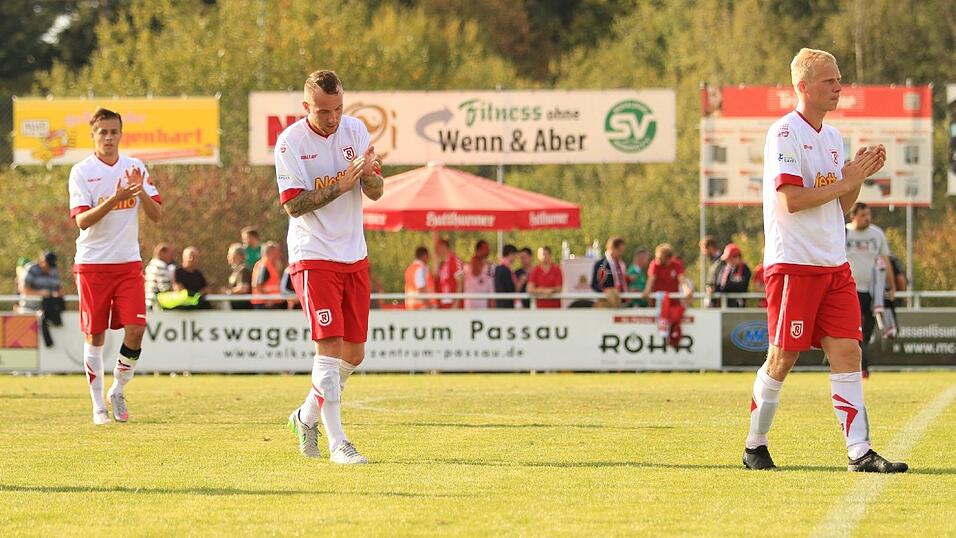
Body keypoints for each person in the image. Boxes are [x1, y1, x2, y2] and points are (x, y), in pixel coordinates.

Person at [742, 48, 905, 473]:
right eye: (830, 80)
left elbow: (843, 207)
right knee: (783, 357)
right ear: (803, 86)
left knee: (848, 352)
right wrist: (846, 181)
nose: (839, 87)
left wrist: (856, 179)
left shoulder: (833, 138)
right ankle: (754, 444)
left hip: (834, 264)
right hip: (794, 264)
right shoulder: (783, 133)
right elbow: (792, 199)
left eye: (839, 79)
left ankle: (859, 452)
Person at [278, 69, 383, 464]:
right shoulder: (290, 143)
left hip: (353, 254)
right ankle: (338, 442)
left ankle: (305, 417)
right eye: (324, 111)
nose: (333, 118)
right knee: (329, 347)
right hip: (313, 254)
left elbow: (375, 191)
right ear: (307, 106)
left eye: (338, 108)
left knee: (354, 355)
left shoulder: (355, 130)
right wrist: (341, 184)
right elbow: (292, 204)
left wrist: (370, 176)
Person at [69, 107, 162, 425]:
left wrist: (139, 194)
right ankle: (98, 407)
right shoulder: (82, 171)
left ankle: (118, 389)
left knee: (136, 329)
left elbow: (156, 214)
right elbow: (82, 220)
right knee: (95, 336)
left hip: (127, 264)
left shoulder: (134, 166)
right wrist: (115, 198)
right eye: (102, 132)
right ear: (93, 136)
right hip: (93, 265)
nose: (109, 137)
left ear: (121, 133)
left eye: (114, 132)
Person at [845, 202, 896, 378]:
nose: (867, 218)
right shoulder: (843, 233)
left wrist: (892, 285)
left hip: (872, 292)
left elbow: (885, 260)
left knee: (867, 329)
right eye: (863, 215)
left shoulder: (876, 234)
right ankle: (860, 367)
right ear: (853, 216)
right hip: (848, 289)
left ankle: (860, 362)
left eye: (868, 215)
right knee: (853, 329)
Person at [643, 243, 694, 347]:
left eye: (660, 259)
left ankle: (672, 340)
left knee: (674, 325)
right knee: (660, 326)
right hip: (658, 303)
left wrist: (687, 290)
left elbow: (682, 280)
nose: (658, 261)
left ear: (668, 258)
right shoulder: (655, 264)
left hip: (673, 303)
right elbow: (651, 280)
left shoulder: (677, 265)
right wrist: (647, 291)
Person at [591, 237, 628, 308]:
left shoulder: (621, 263)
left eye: (623, 251)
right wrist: (606, 291)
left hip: (621, 302)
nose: (621, 253)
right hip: (607, 304)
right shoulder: (602, 264)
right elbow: (595, 284)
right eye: (620, 250)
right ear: (612, 248)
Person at [713, 243, 752, 308]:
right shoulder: (725, 269)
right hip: (724, 305)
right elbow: (719, 286)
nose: (727, 261)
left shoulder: (744, 269)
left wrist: (727, 284)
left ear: (737, 257)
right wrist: (713, 288)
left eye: (729, 259)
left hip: (738, 306)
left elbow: (742, 286)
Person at [251, 241, 286, 310]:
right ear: (271, 252)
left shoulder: (271, 265)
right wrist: (267, 299)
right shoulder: (264, 265)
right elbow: (257, 285)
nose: (279, 254)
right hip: (264, 304)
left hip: (270, 302)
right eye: (277, 252)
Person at [463, 240, 494, 309]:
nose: (488, 251)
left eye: (488, 248)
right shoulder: (466, 268)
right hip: (469, 305)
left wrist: (492, 307)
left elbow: (491, 289)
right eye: (485, 248)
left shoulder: (490, 267)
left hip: (484, 305)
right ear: (478, 250)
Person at [434, 238, 464, 309]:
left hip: (453, 305)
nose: (437, 251)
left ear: (444, 247)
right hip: (443, 305)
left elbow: (460, 282)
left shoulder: (454, 260)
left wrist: (456, 304)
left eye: (438, 248)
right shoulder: (442, 264)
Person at [144, 243, 176, 309]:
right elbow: (163, 287)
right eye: (169, 254)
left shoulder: (150, 265)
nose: (171, 257)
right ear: (162, 253)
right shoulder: (161, 266)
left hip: (148, 300)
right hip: (155, 303)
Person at [226, 243, 252, 310]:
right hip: (235, 308)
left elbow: (244, 289)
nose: (228, 257)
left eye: (230, 254)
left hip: (243, 309)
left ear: (238, 256)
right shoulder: (236, 270)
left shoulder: (243, 270)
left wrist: (227, 292)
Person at [701, 235, 724, 306]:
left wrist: (715, 288)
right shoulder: (713, 261)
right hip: (714, 300)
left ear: (710, 247)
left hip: (720, 301)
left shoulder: (722, 260)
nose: (703, 253)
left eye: (704, 249)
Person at [493, 244, 519, 308]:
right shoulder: (503, 269)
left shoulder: (501, 268)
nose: (515, 258)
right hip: (505, 304)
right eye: (514, 255)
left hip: (503, 303)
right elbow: (509, 288)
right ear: (510, 254)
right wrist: (519, 284)